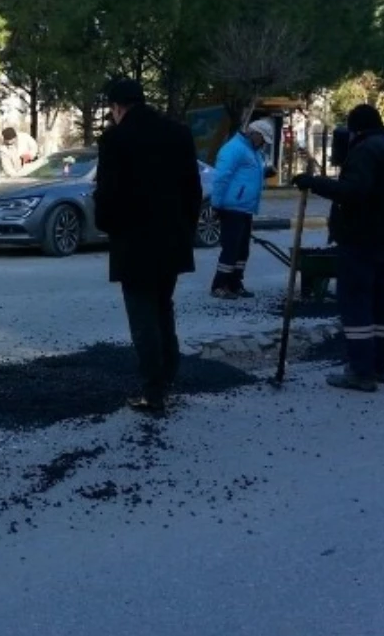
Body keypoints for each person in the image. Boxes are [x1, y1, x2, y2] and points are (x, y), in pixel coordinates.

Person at [94, 77, 204, 415]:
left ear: (117, 106)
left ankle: (153, 391)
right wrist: (185, 228)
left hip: (134, 241)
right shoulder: (179, 133)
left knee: (142, 314)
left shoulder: (115, 139)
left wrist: (108, 225)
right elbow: (193, 190)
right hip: (172, 240)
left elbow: (108, 194)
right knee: (163, 307)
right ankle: (168, 376)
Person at [291, 104, 384, 392]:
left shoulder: (365, 151)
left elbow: (353, 191)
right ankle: (380, 367)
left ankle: (360, 372)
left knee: (357, 302)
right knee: (381, 303)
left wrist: (314, 183)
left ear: (355, 128)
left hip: (360, 240)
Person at [209, 118, 273, 299]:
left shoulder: (252, 151)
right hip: (231, 207)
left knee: (242, 249)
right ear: (255, 134)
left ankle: (235, 283)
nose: (263, 144)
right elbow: (221, 178)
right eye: (263, 139)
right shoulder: (235, 149)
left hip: (244, 207)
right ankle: (219, 285)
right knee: (231, 248)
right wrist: (216, 204)